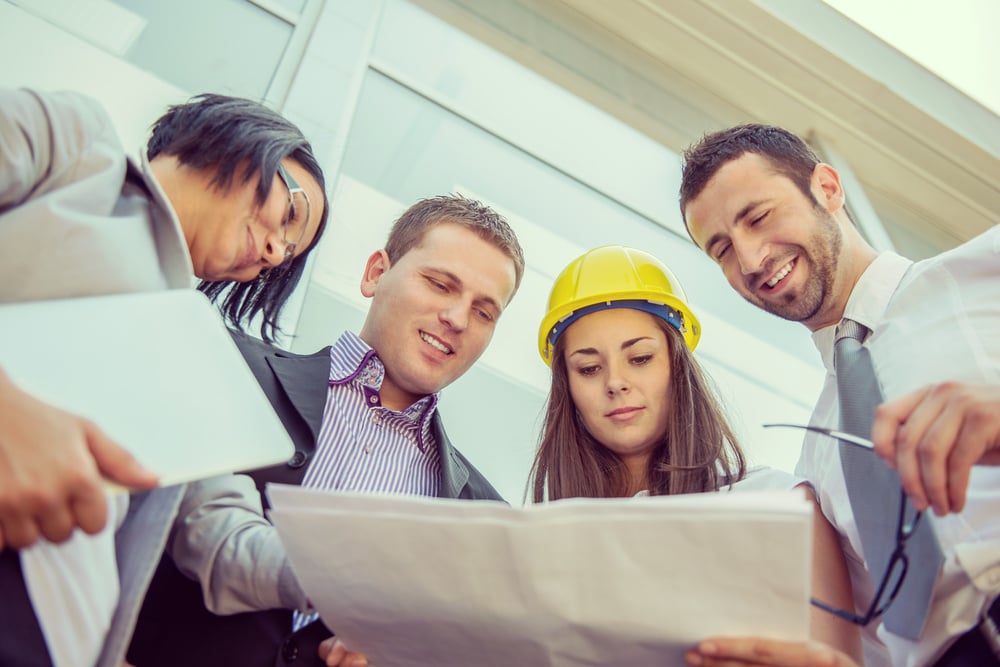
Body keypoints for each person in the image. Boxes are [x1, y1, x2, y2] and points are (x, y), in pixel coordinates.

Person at [0, 88, 329, 667]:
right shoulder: (73, 144)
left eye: (290, 254)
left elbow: (221, 536)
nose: (277, 251)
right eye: (291, 214)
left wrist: (361, 582)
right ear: (239, 136)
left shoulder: (201, 358)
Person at [127, 193, 526, 667]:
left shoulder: (485, 519)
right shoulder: (228, 365)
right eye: (440, 284)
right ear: (376, 273)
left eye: (484, 313)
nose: (457, 319)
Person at [678, 124, 1000, 667]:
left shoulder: (984, 272)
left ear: (827, 188)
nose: (752, 260)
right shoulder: (817, 467)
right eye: (723, 251)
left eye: (758, 217)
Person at [530, 244, 862, 661]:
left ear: (677, 367)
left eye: (640, 357)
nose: (615, 382)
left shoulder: (778, 505)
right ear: (569, 390)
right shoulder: (543, 546)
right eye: (589, 368)